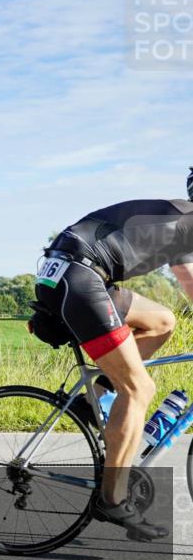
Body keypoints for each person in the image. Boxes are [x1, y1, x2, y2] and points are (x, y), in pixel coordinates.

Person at [34, 194, 193, 540]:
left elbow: (189, 281)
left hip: (72, 272)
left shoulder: (182, 219)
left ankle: (91, 399)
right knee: (139, 389)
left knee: (162, 321)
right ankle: (113, 499)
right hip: (80, 278)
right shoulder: (185, 218)